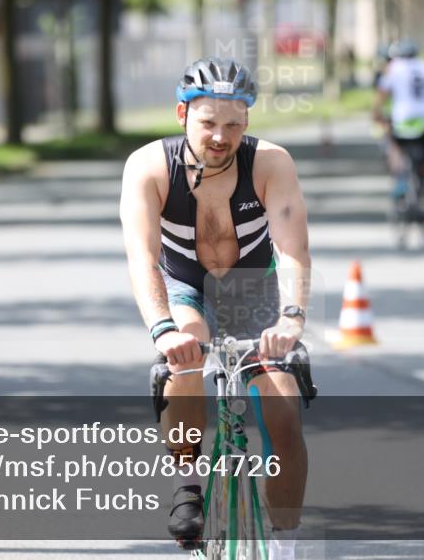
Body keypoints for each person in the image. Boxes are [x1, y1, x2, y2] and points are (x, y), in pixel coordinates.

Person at [119, 57, 312, 559]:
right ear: (181, 115)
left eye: (232, 124)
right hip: (185, 285)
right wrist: (163, 331)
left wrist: (291, 317)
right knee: (183, 361)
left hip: (252, 287)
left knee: (284, 406)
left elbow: (291, 250)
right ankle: (188, 483)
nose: (220, 136)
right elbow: (142, 257)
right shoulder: (149, 167)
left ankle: (286, 546)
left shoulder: (271, 163)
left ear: (247, 121)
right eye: (208, 123)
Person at [372, 40, 424, 236]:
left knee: (391, 144)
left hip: (404, 124)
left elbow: (381, 95)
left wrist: (377, 115)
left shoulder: (393, 68)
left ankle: (400, 180)